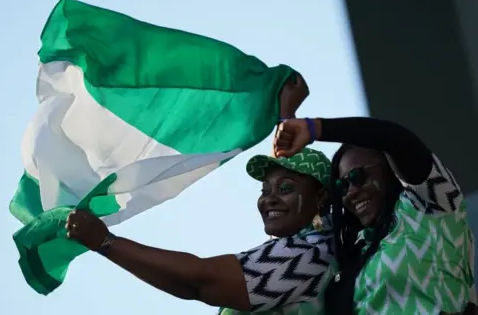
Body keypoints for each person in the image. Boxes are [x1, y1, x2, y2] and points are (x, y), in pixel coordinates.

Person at [65, 147, 336, 314]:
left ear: (321, 197)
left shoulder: (314, 253)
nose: (269, 199)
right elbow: (186, 284)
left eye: (286, 189)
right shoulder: (296, 249)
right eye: (264, 190)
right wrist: (104, 244)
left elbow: (199, 280)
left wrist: (106, 242)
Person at [273, 115, 476, 314]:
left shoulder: (430, 207)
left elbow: (398, 141)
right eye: (342, 185)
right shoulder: (356, 250)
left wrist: (315, 128)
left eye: (357, 176)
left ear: (390, 170)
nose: (351, 192)